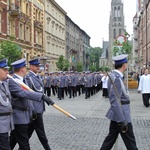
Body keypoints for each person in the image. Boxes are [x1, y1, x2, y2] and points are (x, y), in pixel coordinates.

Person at [8, 58, 54, 150]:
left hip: (26, 116)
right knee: (24, 144)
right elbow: (24, 93)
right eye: (25, 67)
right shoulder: (13, 81)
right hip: (18, 117)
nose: (26, 69)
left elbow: (28, 99)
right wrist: (41, 96)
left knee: (12, 142)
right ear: (22, 69)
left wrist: (32, 110)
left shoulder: (23, 80)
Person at [100, 54, 138, 150]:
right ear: (124, 65)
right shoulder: (116, 78)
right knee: (131, 143)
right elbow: (114, 101)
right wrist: (121, 120)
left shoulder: (115, 76)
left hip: (117, 114)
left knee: (110, 140)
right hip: (122, 115)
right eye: (126, 64)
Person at [25, 58, 52, 150]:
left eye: (38, 66)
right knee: (41, 131)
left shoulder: (37, 77)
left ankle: (21, 147)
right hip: (35, 110)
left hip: (39, 108)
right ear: (31, 66)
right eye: (36, 66)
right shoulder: (28, 78)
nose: (38, 67)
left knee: (28, 131)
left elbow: (40, 92)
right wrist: (32, 109)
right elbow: (29, 95)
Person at [0, 58, 14, 150]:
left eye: (7, 70)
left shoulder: (4, 84)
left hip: (6, 123)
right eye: (5, 70)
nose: (7, 72)